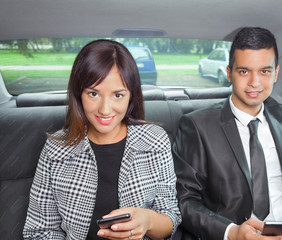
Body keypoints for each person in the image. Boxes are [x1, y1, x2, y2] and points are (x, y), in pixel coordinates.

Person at [172, 27, 282, 240]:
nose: (254, 82)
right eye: (244, 71)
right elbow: (184, 200)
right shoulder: (197, 126)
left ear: (276, 73)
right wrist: (232, 233)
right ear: (229, 73)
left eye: (264, 71)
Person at [23, 39, 181, 240]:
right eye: (93, 93)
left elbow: (171, 218)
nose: (105, 110)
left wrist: (148, 220)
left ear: (131, 96)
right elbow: (39, 231)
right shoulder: (55, 148)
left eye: (118, 95)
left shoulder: (154, 140)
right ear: (78, 94)